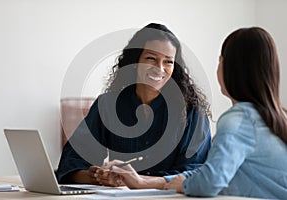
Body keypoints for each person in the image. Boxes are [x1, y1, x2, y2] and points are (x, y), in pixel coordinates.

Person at [103, 27, 287, 199]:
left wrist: (170, 184)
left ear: (229, 69)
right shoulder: (277, 117)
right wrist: (150, 182)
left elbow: (209, 182)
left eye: (220, 61)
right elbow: (209, 172)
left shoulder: (239, 120)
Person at [56, 23, 212, 185]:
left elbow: (197, 171)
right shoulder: (107, 105)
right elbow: (70, 165)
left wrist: (138, 181)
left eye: (168, 62)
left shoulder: (193, 111)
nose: (159, 68)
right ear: (135, 60)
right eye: (151, 58)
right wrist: (99, 176)